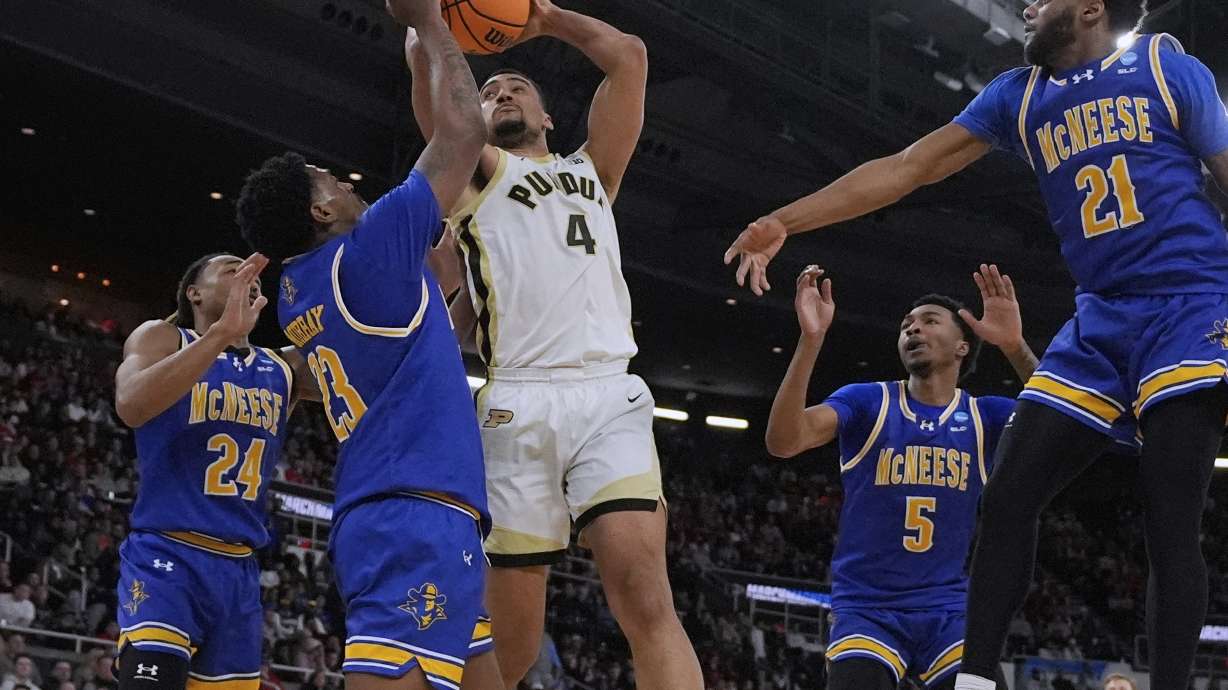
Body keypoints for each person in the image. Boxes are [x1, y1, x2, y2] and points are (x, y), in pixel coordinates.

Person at [723, 1, 1228, 688]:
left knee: (1169, 510)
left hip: (1191, 302)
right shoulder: (1018, 99)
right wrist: (786, 220)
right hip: (1101, 317)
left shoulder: (1166, 64)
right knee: (1011, 492)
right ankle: (977, 678)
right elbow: (907, 167)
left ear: (1089, 7)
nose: (1025, 7)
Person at [411, 0, 701, 686]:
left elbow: (629, 57)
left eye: (517, 88)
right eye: (488, 90)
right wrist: (430, 23)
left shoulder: (594, 172)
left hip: (609, 394)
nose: (501, 91)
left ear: (548, 118)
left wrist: (543, 17)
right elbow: (428, 68)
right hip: (518, 400)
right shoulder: (475, 175)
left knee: (645, 598)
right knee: (509, 641)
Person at [234, 0, 497, 688]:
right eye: (329, 181)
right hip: (413, 514)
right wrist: (433, 24)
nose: (346, 181)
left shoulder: (300, 291)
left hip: (408, 507)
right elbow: (468, 130)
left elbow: (428, 334)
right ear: (320, 211)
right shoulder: (368, 253)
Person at [766, 265, 1032, 690]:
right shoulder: (869, 401)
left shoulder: (986, 416)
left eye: (929, 321)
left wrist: (1016, 346)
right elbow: (783, 441)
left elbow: (1061, 420)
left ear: (962, 346)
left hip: (949, 612)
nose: (913, 329)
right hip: (867, 609)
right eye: (907, 325)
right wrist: (811, 340)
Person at [112, 252, 315, 690]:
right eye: (231, 268)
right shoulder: (163, 337)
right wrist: (222, 335)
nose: (250, 276)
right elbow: (130, 404)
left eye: (255, 272)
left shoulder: (284, 368)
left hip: (239, 571)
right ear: (195, 293)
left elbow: (378, 363)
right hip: (167, 556)